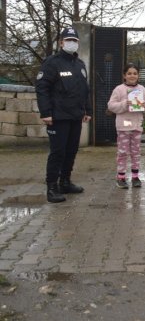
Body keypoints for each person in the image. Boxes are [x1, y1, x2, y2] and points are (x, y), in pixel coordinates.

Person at [35, 26, 92, 203]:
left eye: (74, 41)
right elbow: (42, 88)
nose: (72, 43)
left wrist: (87, 110)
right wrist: (46, 112)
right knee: (57, 152)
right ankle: (52, 187)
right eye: (68, 40)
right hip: (58, 117)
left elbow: (84, 90)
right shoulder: (52, 63)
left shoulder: (80, 65)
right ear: (61, 42)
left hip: (75, 116)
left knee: (71, 151)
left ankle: (65, 182)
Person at [107, 63, 145, 189]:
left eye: (135, 73)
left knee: (136, 152)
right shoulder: (118, 89)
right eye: (129, 73)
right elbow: (111, 105)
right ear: (124, 75)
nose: (132, 76)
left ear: (138, 75)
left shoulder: (142, 89)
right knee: (123, 152)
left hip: (137, 125)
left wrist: (144, 106)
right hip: (124, 126)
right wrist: (125, 103)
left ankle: (135, 177)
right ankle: (121, 177)